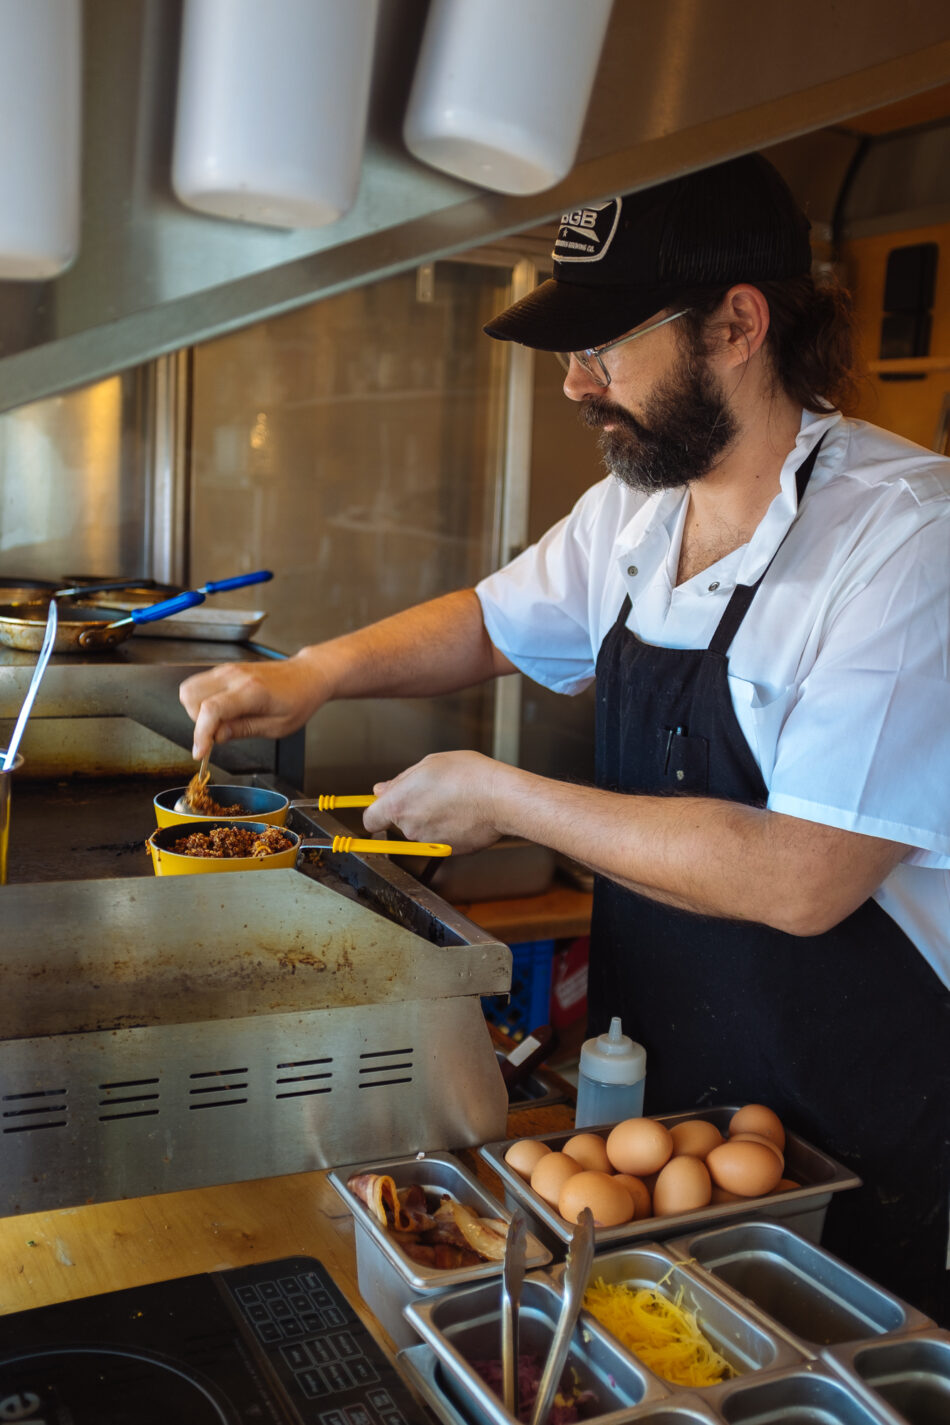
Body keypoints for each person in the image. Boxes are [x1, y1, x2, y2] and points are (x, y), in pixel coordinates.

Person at [180, 154, 950, 1323]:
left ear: (736, 324)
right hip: (673, 1096)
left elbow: (804, 878)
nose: (574, 383)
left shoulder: (902, 542)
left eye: (604, 346)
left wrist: (506, 796)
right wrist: (313, 674)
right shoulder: (639, 508)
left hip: (861, 1122)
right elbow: (493, 619)